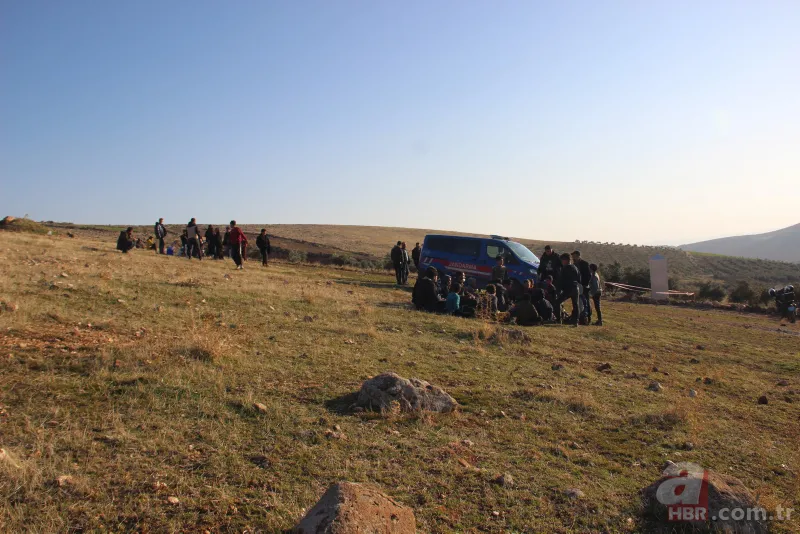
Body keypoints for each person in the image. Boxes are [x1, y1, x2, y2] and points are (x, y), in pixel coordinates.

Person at [557, 253, 583, 326]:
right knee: (576, 305)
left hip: (568, 289)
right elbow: (579, 279)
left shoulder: (565, 268)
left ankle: (559, 319)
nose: (562, 262)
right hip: (575, 288)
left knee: (557, 302)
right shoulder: (575, 267)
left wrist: (559, 289)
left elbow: (561, 280)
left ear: (565, 260)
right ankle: (575, 321)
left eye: (562, 260)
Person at [572, 251, 592, 324]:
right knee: (578, 302)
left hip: (584, 286)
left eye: (574, 256)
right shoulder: (574, 265)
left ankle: (588, 318)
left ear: (578, 256)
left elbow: (588, 275)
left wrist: (584, 284)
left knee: (586, 302)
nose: (573, 258)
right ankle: (580, 317)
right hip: (577, 286)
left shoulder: (585, 264)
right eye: (573, 256)